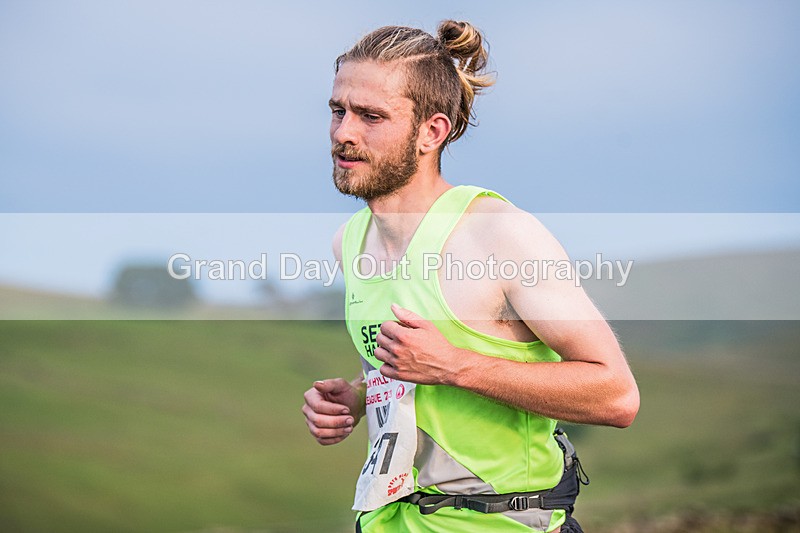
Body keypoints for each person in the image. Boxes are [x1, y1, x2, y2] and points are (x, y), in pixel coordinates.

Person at [302, 20, 640, 532]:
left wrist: (455, 365)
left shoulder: (499, 235)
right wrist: (356, 396)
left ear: (430, 132)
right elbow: (412, 375)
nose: (344, 132)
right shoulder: (349, 242)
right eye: (338, 110)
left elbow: (616, 396)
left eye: (371, 116)